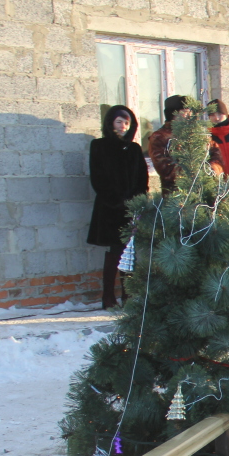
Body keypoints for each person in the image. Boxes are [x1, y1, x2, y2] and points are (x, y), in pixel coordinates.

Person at [87, 105, 148, 309]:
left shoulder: (134, 149)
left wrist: (136, 202)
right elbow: (98, 178)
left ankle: (128, 295)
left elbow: (142, 178)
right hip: (109, 208)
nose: (123, 126)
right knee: (114, 250)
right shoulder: (99, 146)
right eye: (119, 122)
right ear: (110, 123)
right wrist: (115, 201)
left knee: (128, 252)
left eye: (127, 122)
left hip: (130, 210)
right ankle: (108, 296)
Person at [148, 95, 223, 196]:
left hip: (205, 192)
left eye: (190, 111)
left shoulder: (199, 133)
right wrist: (195, 174)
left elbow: (215, 153)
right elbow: (165, 169)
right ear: (173, 114)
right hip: (177, 196)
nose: (189, 115)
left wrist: (211, 170)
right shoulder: (160, 137)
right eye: (185, 112)